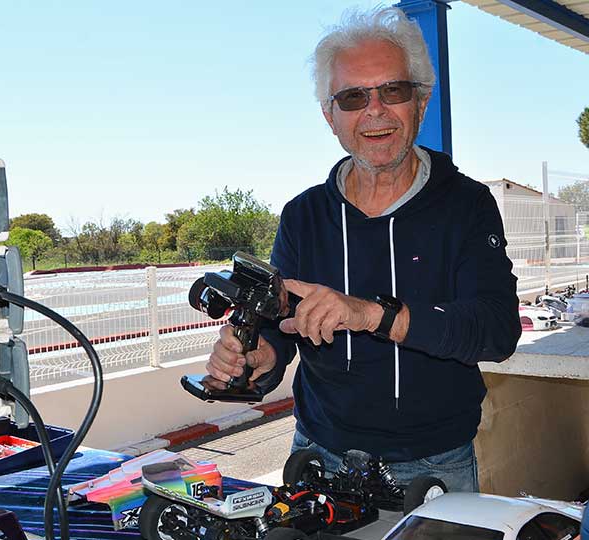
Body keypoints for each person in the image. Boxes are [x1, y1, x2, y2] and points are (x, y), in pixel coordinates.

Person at [204, 6, 521, 492]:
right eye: (352, 97)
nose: (374, 110)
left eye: (392, 90)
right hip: (316, 455)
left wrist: (372, 314)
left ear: (422, 100)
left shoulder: (467, 205)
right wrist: (262, 354)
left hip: (434, 465)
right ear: (330, 117)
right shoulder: (303, 215)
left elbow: (496, 332)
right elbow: (283, 322)